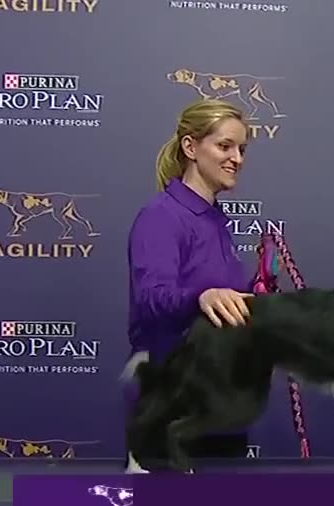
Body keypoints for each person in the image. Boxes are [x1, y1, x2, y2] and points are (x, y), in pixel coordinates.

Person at [122, 98, 261, 469]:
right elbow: (151, 298)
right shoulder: (160, 216)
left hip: (223, 406)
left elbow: (225, 306)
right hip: (172, 406)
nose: (237, 159)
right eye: (225, 146)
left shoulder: (217, 220)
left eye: (242, 149)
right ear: (190, 147)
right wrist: (203, 297)